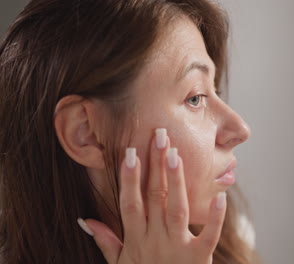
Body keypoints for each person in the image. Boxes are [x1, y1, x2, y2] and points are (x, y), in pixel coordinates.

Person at [0, 0, 261, 263]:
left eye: (214, 89)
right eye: (195, 98)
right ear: (86, 133)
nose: (240, 129)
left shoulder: (229, 242)